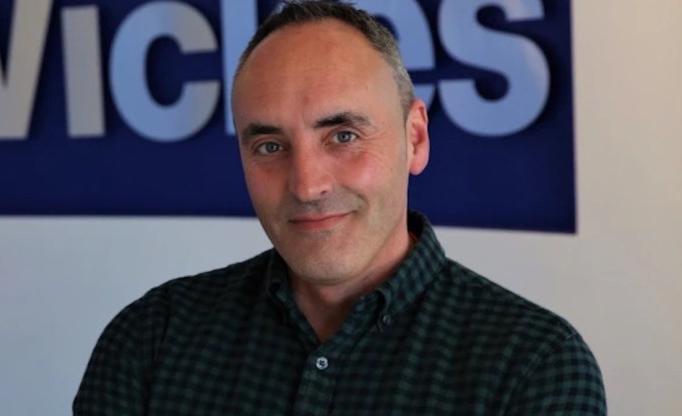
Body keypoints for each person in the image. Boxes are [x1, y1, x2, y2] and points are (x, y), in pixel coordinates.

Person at [74, 1, 606, 414]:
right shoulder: (152, 339)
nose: (306, 185)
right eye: (269, 146)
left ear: (415, 138)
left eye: (344, 135)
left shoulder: (533, 365)